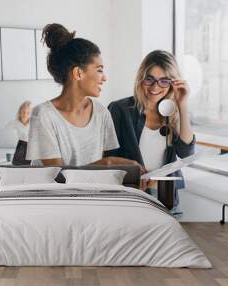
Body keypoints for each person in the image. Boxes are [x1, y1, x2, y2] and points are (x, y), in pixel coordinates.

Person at [26, 23, 143, 170]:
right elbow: (58, 176)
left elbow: (103, 173)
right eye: (99, 70)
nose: (104, 78)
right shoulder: (43, 115)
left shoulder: (101, 113)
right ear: (78, 73)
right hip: (53, 193)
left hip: (90, 193)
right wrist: (108, 163)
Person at [106, 50, 195, 214]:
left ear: (172, 83)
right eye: (150, 79)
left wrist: (182, 104)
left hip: (165, 198)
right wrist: (133, 176)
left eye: (164, 81)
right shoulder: (120, 109)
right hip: (131, 198)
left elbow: (186, 154)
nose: (155, 87)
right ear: (141, 79)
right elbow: (107, 159)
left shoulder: (174, 113)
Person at [6, 101, 32, 165]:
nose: (25, 115)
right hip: (20, 145)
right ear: (20, 112)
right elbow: (6, 131)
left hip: (31, 146)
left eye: (28, 113)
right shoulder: (15, 123)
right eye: (23, 112)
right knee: (17, 163)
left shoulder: (33, 122)